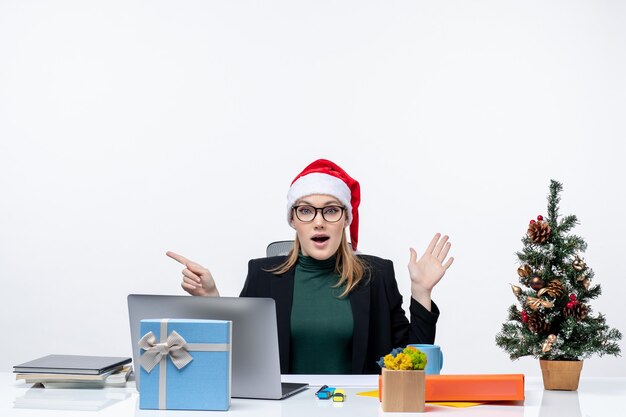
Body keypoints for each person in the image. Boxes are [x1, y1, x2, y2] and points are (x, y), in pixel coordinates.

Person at [167, 159, 453, 374]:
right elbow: (240, 356)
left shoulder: (376, 276)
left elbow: (413, 364)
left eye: (331, 210)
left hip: (359, 409)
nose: (319, 221)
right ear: (293, 220)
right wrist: (212, 299)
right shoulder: (262, 275)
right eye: (306, 210)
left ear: (346, 219)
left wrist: (421, 292)